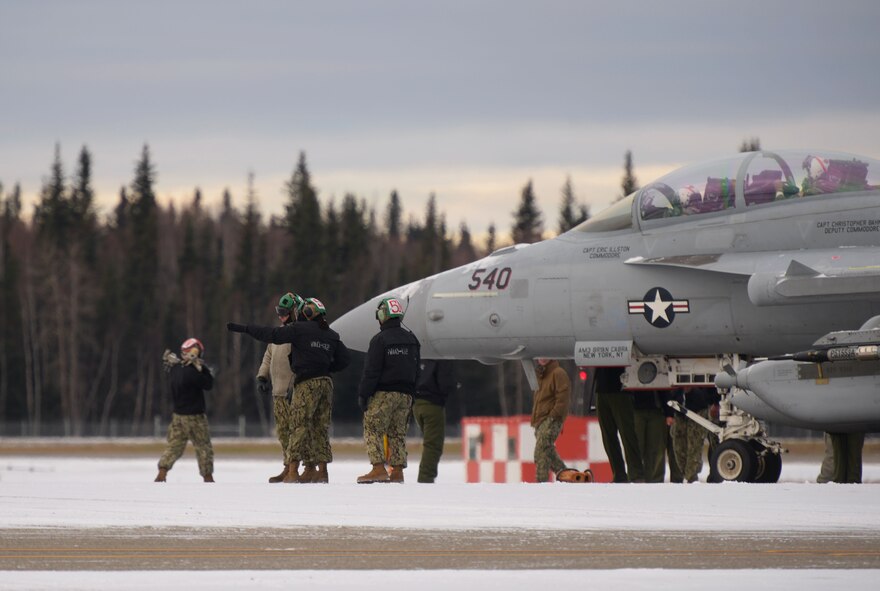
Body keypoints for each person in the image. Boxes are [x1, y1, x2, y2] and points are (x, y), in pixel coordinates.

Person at [228, 297, 350, 483]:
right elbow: (345, 359)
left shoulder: (299, 330)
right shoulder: (330, 334)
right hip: (325, 383)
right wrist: (325, 367)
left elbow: (271, 334)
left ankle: (293, 471)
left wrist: (245, 328)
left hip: (305, 383)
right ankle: (321, 472)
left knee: (298, 426)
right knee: (320, 427)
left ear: (307, 312)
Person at [356, 297, 421, 484]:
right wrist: (412, 394)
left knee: (373, 428)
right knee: (398, 432)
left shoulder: (380, 340)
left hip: (384, 393)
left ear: (383, 315)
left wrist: (364, 393)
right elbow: (416, 369)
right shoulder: (412, 339)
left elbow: (372, 371)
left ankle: (378, 468)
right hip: (406, 395)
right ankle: (397, 471)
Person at [155, 338, 215, 483]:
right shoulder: (193, 372)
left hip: (178, 416)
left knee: (174, 447)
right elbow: (208, 384)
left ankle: (162, 473)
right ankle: (208, 478)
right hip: (195, 417)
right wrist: (203, 368)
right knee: (203, 448)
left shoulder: (175, 369)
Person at [257, 292, 301, 483]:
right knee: (283, 432)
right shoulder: (277, 335)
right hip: (278, 393)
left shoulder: (299, 334)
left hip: (294, 393)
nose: (281, 316)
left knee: (297, 432)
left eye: (284, 312)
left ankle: (296, 469)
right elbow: (268, 356)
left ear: (294, 311)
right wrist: (262, 376)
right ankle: (287, 466)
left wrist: (295, 385)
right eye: (278, 312)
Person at [531, 358, 583, 483]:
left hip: (552, 419)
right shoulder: (540, 374)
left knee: (541, 450)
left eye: (546, 355)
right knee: (548, 450)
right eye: (540, 356)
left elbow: (563, 399)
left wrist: (553, 416)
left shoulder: (558, 373)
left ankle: (541, 482)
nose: (542, 359)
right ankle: (568, 476)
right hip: (540, 420)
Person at [594, 367, 644, 482]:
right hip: (602, 388)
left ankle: (636, 474)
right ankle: (620, 474)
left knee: (627, 434)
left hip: (621, 388)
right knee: (608, 436)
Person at [412, 359, 455, 483]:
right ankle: (425, 478)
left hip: (417, 404)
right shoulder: (441, 357)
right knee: (433, 445)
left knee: (428, 443)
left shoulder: (418, 354)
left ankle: (425, 477)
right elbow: (444, 382)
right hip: (432, 405)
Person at [671, 386, 720, 483]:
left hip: (699, 408)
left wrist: (715, 402)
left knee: (694, 446)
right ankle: (687, 475)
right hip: (678, 410)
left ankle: (690, 477)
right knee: (678, 447)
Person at [631, 390, 668, 483]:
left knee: (656, 449)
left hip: (657, 408)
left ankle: (656, 481)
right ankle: (635, 478)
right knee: (636, 448)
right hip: (636, 407)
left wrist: (669, 412)